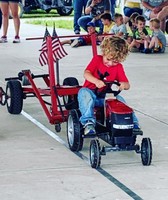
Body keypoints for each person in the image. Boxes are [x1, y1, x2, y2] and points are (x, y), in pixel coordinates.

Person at [77, 36, 141, 135]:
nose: (110, 63)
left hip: (105, 96)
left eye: (115, 61)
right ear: (104, 52)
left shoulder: (118, 67)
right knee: (84, 93)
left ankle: (133, 122)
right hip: (90, 92)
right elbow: (86, 73)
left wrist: (124, 84)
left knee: (120, 99)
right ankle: (88, 122)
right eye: (108, 59)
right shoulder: (97, 60)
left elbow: (127, 84)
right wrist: (96, 81)